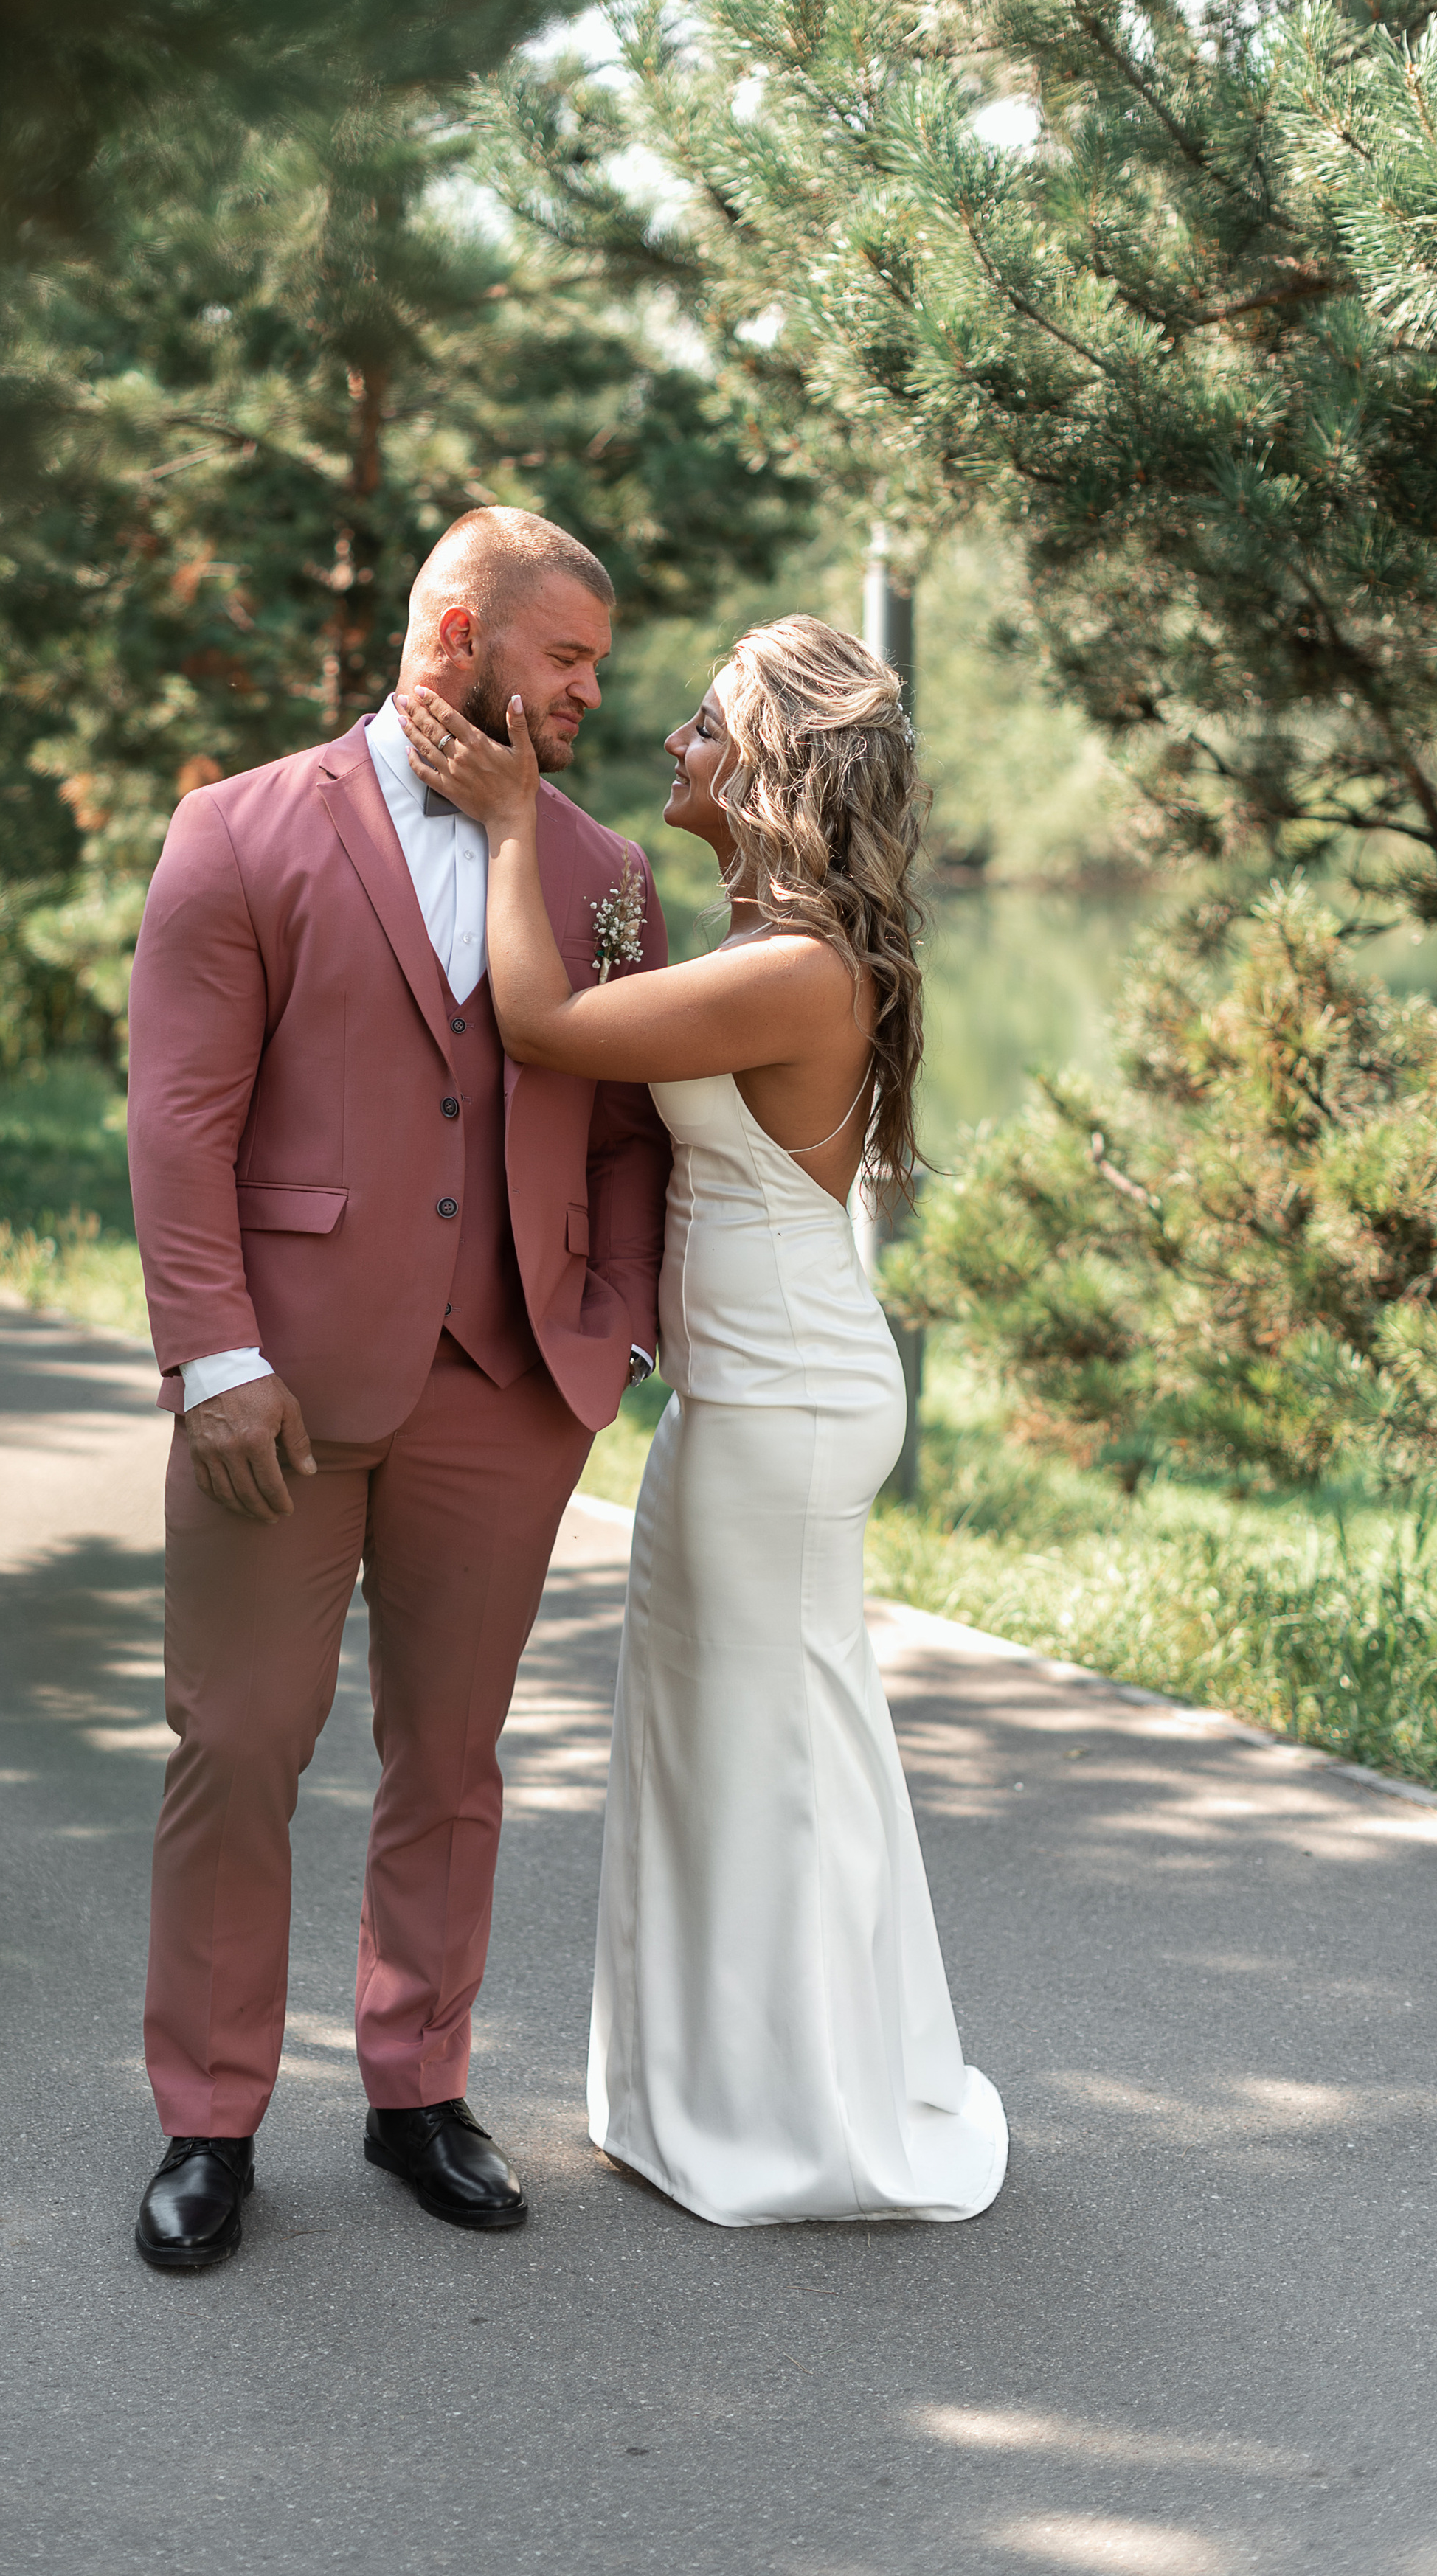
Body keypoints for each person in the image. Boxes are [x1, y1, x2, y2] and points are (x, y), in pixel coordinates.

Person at [402, 615, 1007, 2228]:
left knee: (775, 1752)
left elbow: (539, 1029)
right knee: (721, 1739)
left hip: (786, 1394)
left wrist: (515, 827)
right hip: (746, 1384)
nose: (670, 742)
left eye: (699, 723)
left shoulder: (795, 971)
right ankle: (717, 2093)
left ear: (767, 767)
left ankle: (804, 2115)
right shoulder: (763, 946)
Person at [123, 507, 671, 2269]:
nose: (593, 690)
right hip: (268, 1387)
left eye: (596, 661)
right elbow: (180, 1119)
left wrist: (609, 1333)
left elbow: (636, 1142)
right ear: (457, 636)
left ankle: (415, 2087)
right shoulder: (237, 831)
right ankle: (209, 2122)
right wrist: (213, 1357)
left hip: (504, 1387)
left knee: (450, 1757)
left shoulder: (603, 878)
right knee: (236, 1746)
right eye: (566, 656)